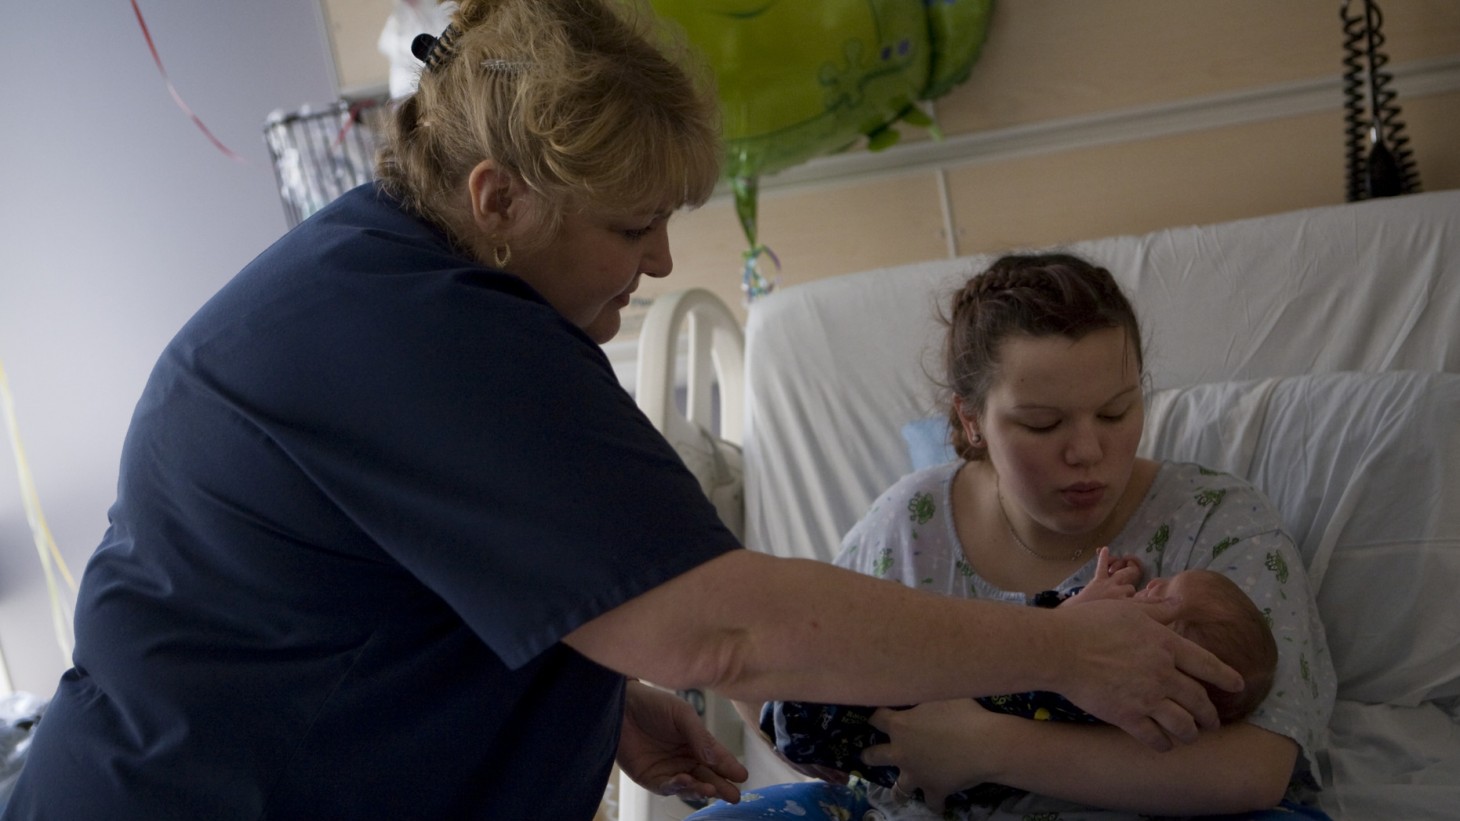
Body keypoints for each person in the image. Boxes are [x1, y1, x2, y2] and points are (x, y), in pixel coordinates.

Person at [0, 4, 1244, 818]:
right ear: (497, 198)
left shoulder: (398, 287)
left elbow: (417, 573)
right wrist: (1065, 644)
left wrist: (576, 683)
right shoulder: (416, 337)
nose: (655, 263)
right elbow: (722, 635)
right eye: (629, 224)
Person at [687, 254, 1334, 821]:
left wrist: (985, 745)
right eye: (1043, 423)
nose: (1088, 451)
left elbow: (1256, 768)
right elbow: (821, 723)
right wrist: (743, 676)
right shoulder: (908, 528)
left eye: (1116, 411)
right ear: (972, 419)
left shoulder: (1218, 523)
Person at [758, 551, 1280, 810]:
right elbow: (1045, 637)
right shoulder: (899, 524)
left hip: (909, 736)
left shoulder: (1121, 705)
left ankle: (793, 706)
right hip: (892, 689)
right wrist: (1086, 603)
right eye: (1041, 422)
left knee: (846, 715)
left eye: (1168, 602)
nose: (1158, 581)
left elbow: (1058, 672)